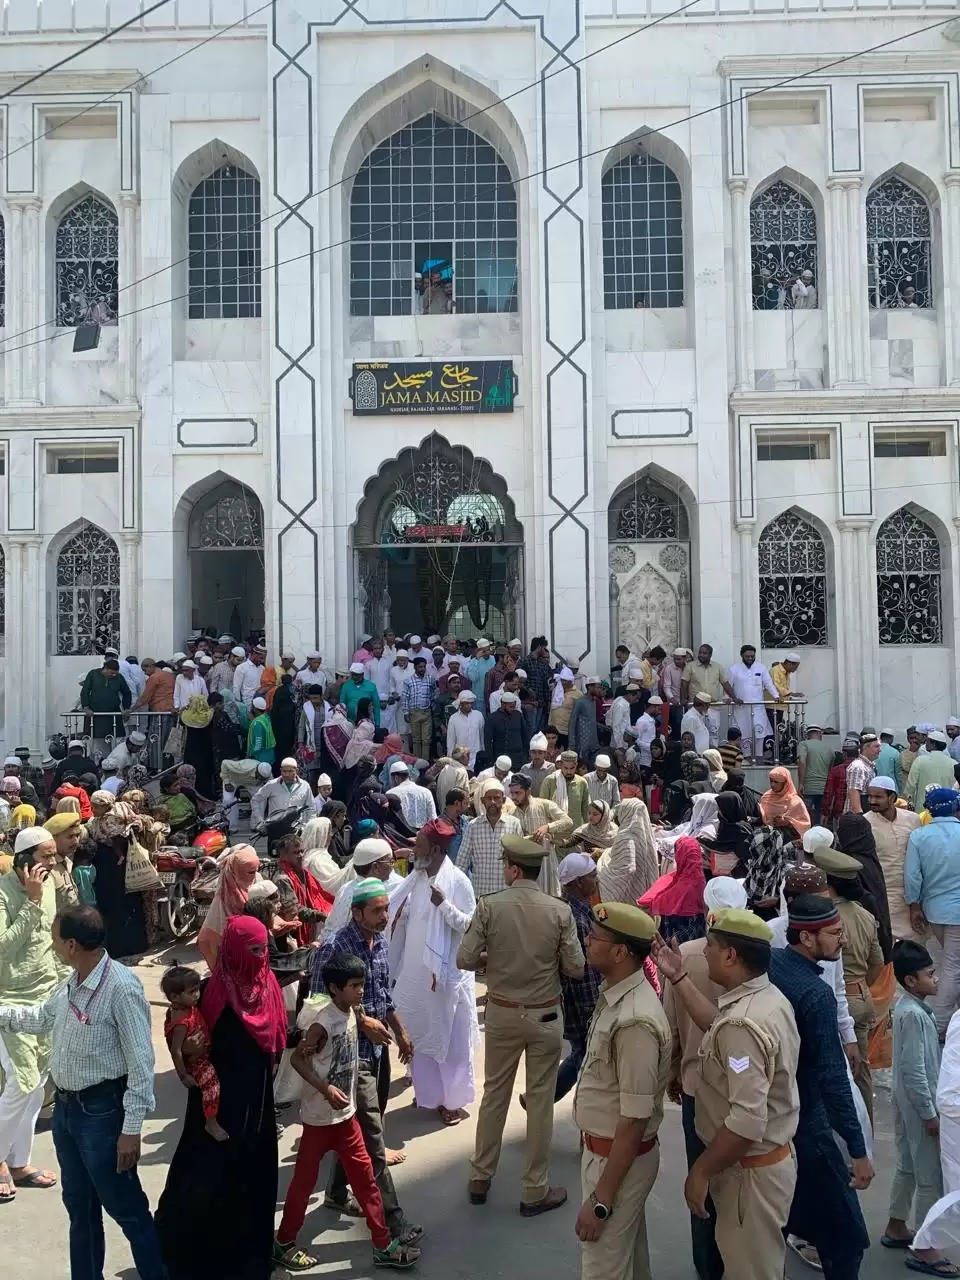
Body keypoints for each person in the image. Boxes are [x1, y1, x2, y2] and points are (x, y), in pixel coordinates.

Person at [0, 905, 165, 1280]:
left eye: (56, 940)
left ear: (72, 944)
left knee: (128, 1211)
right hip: (68, 1112)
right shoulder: (73, 980)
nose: (53, 946)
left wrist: (131, 1130)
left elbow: (142, 1065)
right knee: (80, 1208)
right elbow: (42, 1017)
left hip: (103, 1116)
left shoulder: (121, 988)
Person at [654, 908, 800, 1280]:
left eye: (711, 947)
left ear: (731, 956)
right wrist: (679, 977)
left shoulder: (743, 1023)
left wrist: (699, 1172)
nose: (704, 952)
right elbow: (719, 1029)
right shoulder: (764, 998)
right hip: (762, 1167)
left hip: (748, 1178)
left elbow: (746, 1121)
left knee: (750, 1271)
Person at [459, 834, 585, 1213]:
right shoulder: (558, 910)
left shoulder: (490, 906)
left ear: (514, 869)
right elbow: (577, 968)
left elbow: (464, 959)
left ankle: (480, 1175)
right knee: (542, 1101)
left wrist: (491, 961)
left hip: (501, 1011)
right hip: (546, 1015)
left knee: (495, 1094)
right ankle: (534, 1190)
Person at [157, 916, 287, 1280]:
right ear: (233, 949)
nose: (261, 957)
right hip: (216, 1102)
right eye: (253, 950)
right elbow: (180, 1033)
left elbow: (276, 1034)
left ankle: (249, 1263)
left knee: (252, 1180)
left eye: (264, 949)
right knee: (207, 1179)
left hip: (255, 1102)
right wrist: (187, 1052)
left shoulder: (269, 984)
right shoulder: (211, 991)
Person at [274, 955, 421, 1272]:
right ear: (334, 989)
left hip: (347, 1118)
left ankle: (383, 1246)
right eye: (354, 986)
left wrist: (369, 1024)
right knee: (303, 1183)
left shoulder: (352, 1011)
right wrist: (325, 1088)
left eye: (361, 985)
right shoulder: (320, 1025)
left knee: (367, 1181)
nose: (359, 991)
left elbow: (359, 1015)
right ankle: (283, 1242)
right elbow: (299, 1061)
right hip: (318, 1121)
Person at [766, 893, 874, 1278]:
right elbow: (832, 1078)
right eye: (834, 934)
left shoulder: (772, 963)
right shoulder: (816, 994)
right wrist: (858, 1152)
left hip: (775, 1120)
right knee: (847, 1240)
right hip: (808, 1127)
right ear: (807, 939)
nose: (841, 941)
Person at [311, 878, 422, 1248]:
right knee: (373, 1140)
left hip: (377, 1051)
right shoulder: (334, 949)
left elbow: (383, 994)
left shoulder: (381, 941)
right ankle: (394, 1220)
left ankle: (336, 1194)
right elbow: (316, 1006)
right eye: (376, 911)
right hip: (348, 1057)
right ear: (356, 912)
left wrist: (400, 1030)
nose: (384, 916)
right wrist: (361, 1021)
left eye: (386, 909)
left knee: (357, 1127)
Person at [573, 902, 671, 1280]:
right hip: (608, 1156)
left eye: (595, 937)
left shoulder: (635, 1021)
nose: (586, 940)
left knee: (602, 1267)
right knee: (628, 1261)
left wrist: (601, 1201)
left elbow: (633, 1120)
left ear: (619, 953)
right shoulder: (617, 993)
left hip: (616, 1163)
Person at [662, 877, 747, 1280]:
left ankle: (708, 1269)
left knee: (701, 1183)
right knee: (744, 1184)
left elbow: (671, 1030)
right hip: (745, 1092)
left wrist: (675, 1072)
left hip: (698, 1088)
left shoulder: (687, 959)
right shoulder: (758, 959)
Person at [388, 819, 478, 1126]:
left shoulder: (458, 882)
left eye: (419, 845)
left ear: (436, 849)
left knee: (450, 1040)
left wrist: (444, 906)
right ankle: (428, 1094)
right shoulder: (416, 878)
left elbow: (470, 926)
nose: (414, 850)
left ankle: (451, 1101)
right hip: (416, 973)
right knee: (419, 1032)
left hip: (446, 977)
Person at [882, 940, 956, 1276]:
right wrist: (930, 1113)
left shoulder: (907, 1008)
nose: (936, 979)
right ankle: (926, 1249)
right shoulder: (913, 1015)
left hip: (906, 1101)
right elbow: (915, 1070)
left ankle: (896, 1225)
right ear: (911, 981)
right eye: (930, 974)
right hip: (918, 1103)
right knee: (930, 1176)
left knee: (909, 1165)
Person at [0, 829, 62, 1202]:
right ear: (24, 859)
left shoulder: (50, 884)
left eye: (54, 855)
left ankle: (19, 1162)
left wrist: (69, 985)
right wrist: (31, 902)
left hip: (46, 996)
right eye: (46, 856)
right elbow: (3, 950)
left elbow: (52, 942)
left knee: (37, 1087)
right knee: (20, 1084)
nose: (52, 863)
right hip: (8, 1002)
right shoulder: (4, 894)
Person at [812, 845, 884, 1124]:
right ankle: (865, 1137)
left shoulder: (825, 917)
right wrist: (860, 984)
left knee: (832, 1071)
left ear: (828, 882)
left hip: (837, 1000)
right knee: (861, 1072)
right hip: (860, 995)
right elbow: (877, 962)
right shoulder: (865, 915)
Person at [905, 788, 960, 1036]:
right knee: (952, 966)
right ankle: (941, 1026)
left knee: (951, 963)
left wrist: (914, 905)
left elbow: (913, 876)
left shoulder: (919, 836)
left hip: (935, 910)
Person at [160, 964, 227, 1143]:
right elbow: (176, 1050)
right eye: (192, 992)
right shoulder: (182, 1021)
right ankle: (211, 1122)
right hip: (197, 1061)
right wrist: (183, 1075)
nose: (197, 995)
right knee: (212, 1087)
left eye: (197, 990)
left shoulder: (185, 1008)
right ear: (175, 997)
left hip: (202, 1052)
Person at [554, 854, 602, 1103]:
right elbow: (584, 975)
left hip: (576, 1004)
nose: (597, 880)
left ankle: (542, 1096)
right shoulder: (579, 919)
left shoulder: (573, 911)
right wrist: (593, 1011)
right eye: (592, 876)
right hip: (582, 1005)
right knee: (586, 1055)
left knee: (581, 1053)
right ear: (577, 883)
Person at [867, 776, 922, 941]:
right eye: (870, 796)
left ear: (892, 798)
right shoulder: (865, 823)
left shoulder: (913, 819)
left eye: (878, 797)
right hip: (884, 896)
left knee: (916, 950)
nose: (872, 801)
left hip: (912, 897)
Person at [196, 845, 259, 970]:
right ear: (237, 871)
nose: (254, 875)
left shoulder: (256, 883)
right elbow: (210, 939)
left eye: (255, 871)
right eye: (250, 872)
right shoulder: (224, 897)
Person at [508, 775, 572, 896]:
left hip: (546, 862)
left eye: (518, 793)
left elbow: (568, 821)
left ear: (528, 791)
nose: (514, 797)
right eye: (512, 793)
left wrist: (547, 827)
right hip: (525, 865)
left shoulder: (544, 805)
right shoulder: (512, 813)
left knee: (550, 897)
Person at [455, 783, 522, 898]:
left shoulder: (514, 824)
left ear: (504, 800)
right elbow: (462, 862)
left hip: (506, 895)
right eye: (489, 798)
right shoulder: (473, 826)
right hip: (480, 895)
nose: (492, 802)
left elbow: (520, 861)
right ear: (482, 800)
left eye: (496, 798)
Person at [638, 836, 706, 944]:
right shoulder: (701, 879)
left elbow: (663, 902)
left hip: (676, 933)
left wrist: (652, 903)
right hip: (697, 933)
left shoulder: (684, 886)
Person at [273, 832, 333, 947]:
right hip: (292, 932)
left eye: (302, 851)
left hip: (307, 925)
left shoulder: (303, 872)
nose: (301, 855)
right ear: (283, 856)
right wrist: (320, 915)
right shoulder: (282, 878)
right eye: (295, 852)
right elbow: (292, 909)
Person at [597, 798, 657, 904]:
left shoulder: (625, 836)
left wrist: (601, 866)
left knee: (604, 915)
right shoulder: (646, 834)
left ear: (626, 813)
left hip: (628, 897)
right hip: (642, 890)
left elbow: (626, 869)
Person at [726, 645, 777, 761]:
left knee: (759, 731)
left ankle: (758, 756)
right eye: (747, 656)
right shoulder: (734, 669)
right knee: (744, 732)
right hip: (741, 707)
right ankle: (746, 757)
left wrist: (776, 696)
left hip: (757, 707)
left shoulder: (761, 668)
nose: (750, 658)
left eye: (752, 656)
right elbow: (728, 685)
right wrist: (727, 697)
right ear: (742, 656)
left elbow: (768, 683)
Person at [79, 657, 132, 755]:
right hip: (95, 715)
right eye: (112, 673)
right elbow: (85, 691)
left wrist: (126, 708)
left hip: (113, 715)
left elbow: (127, 693)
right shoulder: (93, 674)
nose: (114, 675)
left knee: (116, 741)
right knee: (97, 744)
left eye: (115, 673)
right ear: (105, 668)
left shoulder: (119, 677)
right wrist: (86, 707)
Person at [250, 756, 314, 830]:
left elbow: (311, 808)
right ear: (280, 770)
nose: (286, 774)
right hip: (275, 829)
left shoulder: (305, 786)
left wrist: (308, 826)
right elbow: (255, 800)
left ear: (296, 770)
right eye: (284, 771)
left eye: (290, 771)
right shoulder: (272, 785)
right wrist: (260, 821)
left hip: (297, 829)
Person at [906, 730, 958, 812]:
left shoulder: (920, 761)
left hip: (923, 810)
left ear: (933, 744)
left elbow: (910, 786)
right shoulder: (954, 764)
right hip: (946, 810)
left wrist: (908, 801)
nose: (925, 744)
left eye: (927, 741)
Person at [540, 750, 590, 830]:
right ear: (561, 765)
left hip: (575, 832)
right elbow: (542, 808)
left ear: (576, 765)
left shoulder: (582, 782)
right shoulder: (550, 781)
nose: (569, 771)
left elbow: (586, 809)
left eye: (572, 768)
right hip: (555, 831)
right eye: (565, 768)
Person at [797, 724, 835, 826]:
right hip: (824, 789)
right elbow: (831, 770)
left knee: (805, 818)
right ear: (820, 734)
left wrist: (801, 783)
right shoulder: (830, 749)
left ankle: (806, 837)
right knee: (820, 818)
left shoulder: (803, 744)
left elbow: (802, 761)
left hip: (808, 788)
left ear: (807, 734)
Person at [758, 766, 811, 838]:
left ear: (785, 783)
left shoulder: (795, 801)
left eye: (776, 782)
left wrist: (787, 823)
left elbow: (804, 825)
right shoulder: (766, 797)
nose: (772, 785)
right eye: (771, 781)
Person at [386, 762, 437, 829]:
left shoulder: (391, 793)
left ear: (396, 778)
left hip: (401, 836)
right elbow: (433, 819)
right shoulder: (426, 792)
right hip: (423, 835)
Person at [401, 656, 433, 758]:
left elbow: (433, 694)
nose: (422, 669)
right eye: (420, 667)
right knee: (416, 739)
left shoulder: (430, 679)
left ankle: (425, 761)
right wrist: (406, 712)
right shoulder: (408, 681)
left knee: (426, 739)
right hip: (414, 712)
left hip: (426, 712)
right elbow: (405, 697)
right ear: (415, 667)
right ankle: (417, 762)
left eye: (424, 667)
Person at [446, 690, 485, 770]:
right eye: (467, 703)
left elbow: (482, 736)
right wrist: (450, 759)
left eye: (471, 703)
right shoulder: (453, 718)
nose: (469, 706)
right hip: (460, 759)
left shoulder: (478, 715)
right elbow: (451, 741)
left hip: (476, 757)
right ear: (460, 703)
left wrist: (482, 752)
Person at [845, 732, 881, 815]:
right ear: (865, 748)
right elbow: (854, 792)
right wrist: (860, 817)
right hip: (857, 819)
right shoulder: (858, 766)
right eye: (876, 746)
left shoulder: (867, 766)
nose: (880, 750)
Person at [568, 675, 601, 762]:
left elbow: (591, 721)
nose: (599, 690)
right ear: (590, 687)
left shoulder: (594, 702)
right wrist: (572, 744)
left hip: (593, 744)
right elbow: (572, 722)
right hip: (582, 744)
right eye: (597, 687)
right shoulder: (580, 702)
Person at [232, 643, 267, 710]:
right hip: (246, 705)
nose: (262, 661)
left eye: (263, 659)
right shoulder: (241, 667)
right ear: (254, 654)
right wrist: (239, 705)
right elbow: (236, 688)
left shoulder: (262, 668)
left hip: (259, 704)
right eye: (261, 658)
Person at [246, 696, 276, 766]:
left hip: (260, 758)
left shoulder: (257, 723)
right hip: (269, 755)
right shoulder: (266, 718)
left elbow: (258, 743)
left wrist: (251, 755)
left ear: (256, 709)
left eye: (252, 707)